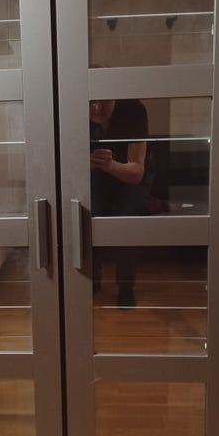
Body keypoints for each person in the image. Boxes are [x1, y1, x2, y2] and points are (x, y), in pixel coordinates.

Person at [90, 98, 162, 307]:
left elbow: (136, 173)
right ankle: (91, 281)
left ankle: (125, 288)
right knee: (88, 213)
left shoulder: (133, 110)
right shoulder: (74, 109)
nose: (97, 108)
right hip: (95, 175)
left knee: (127, 218)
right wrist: (87, 163)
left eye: (103, 102)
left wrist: (109, 165)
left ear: (114, 98)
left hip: (130, 177)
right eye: (91, 102)